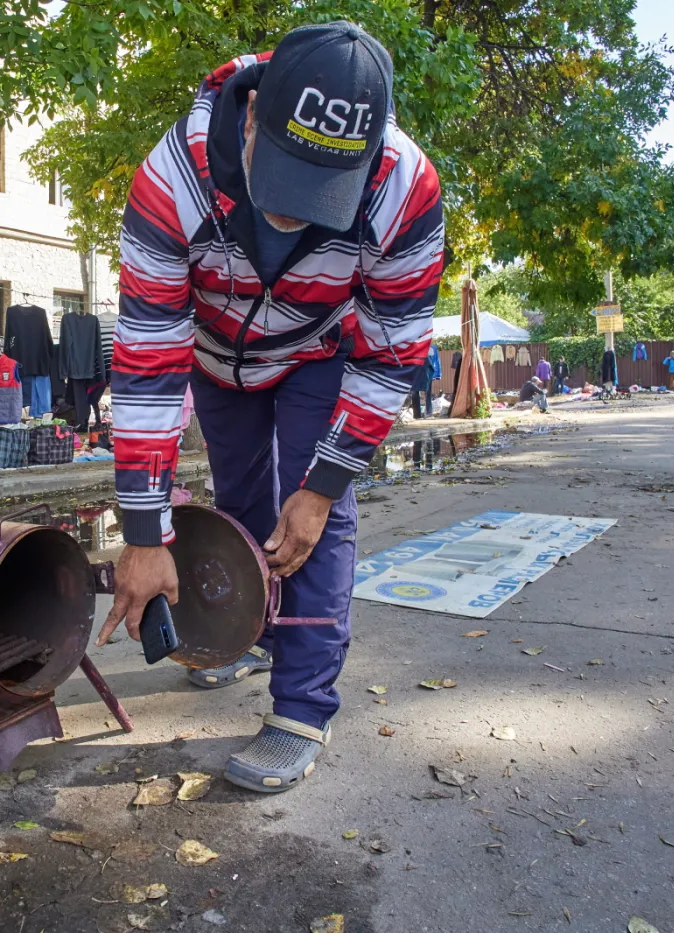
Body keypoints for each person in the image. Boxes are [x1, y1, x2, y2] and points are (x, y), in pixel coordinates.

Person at [99, 22, 443, 793]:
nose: (292, 215)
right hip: (216, 358)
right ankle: (250, 632)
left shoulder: (404, 188)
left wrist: (322, 486)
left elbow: (393, 351)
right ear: (251, 116)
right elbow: (149, 361)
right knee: (244, 502)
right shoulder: (173, 177)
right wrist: (146, 532)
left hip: (322, 349)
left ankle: (301, 708)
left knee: (312, 518)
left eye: (321, 195)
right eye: (284, 179)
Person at [410, 342, 440, 419]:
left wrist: (435, 374)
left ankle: (426, 413)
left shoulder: (432, 347)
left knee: (427, 392)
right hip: (417, 370)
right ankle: (418, 414)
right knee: (416, 392)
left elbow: (435, 361)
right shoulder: (412, 345)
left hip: (425, 371)